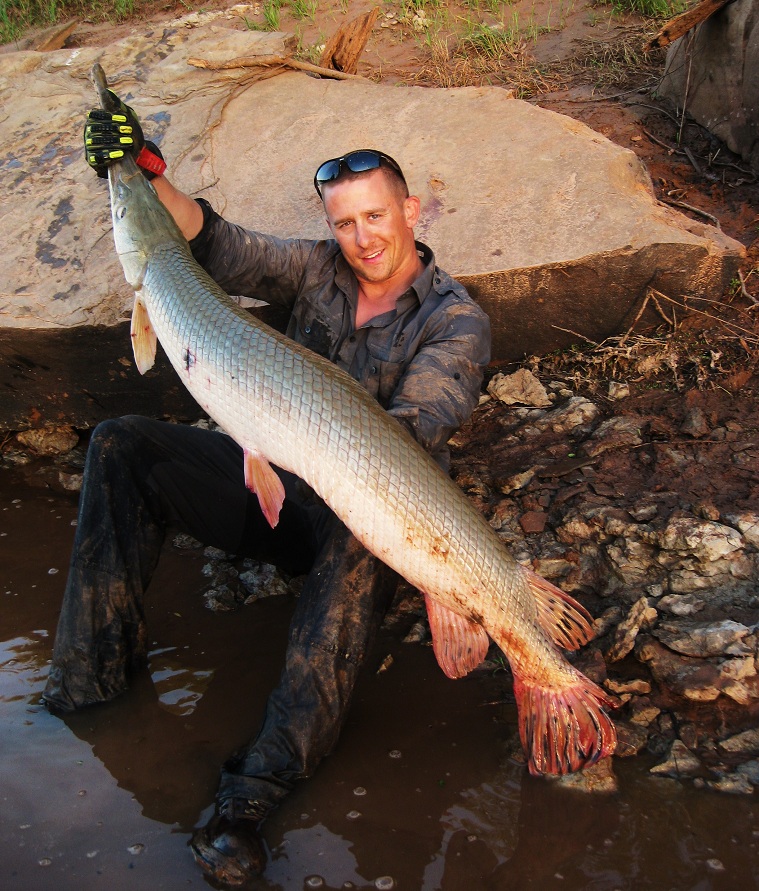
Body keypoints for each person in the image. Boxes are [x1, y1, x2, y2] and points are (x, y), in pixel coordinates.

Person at [43, 91, 491, 885]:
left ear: (411, 209)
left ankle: (252, 794)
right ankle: (87, 688)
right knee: (120, 445)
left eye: (376, 217)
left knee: (356, 532)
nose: (362, 239)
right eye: (345, 223)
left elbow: (409, 442)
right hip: (278, 499)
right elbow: (213, 242)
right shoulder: (315, 269)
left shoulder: (454, 321)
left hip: (375, 519)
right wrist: (143, 172)